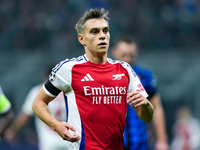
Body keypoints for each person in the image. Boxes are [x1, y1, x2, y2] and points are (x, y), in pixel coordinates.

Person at [32, 8, 154, 150]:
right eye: (95, 32)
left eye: (105, 31)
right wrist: (56, 125)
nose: (102, 36)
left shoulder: (125, 69)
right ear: (81, 38)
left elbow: (147, 116)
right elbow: (38, 103)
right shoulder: (68, 69)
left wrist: (145, 104)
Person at [112, 36, 168, 150]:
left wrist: (162, 140)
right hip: (112, 143)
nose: (127, 58)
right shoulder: (104, 77)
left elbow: (157, 108)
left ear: (136, 52)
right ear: (115, 52)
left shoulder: (145, 77)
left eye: (130, 55)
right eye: (124, 55)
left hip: (140, 143)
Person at [4, 66, 68, 150]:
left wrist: (13, 131)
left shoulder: (38, 91)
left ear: (45, 76)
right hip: (70, 140)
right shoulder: (69, 91)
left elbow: (25, 116)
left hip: (49, 143)